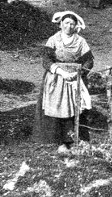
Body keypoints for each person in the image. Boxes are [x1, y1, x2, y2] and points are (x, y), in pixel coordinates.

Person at [34, 11, 94, 154]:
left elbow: (89, 61)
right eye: (66, 23)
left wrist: (79, 73)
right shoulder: (53, 40)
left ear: (76, 26)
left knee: (75, 109)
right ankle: (60, 143)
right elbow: (46, 60)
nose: (69, 26)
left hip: (74, 78)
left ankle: (73, 141)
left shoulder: (80, 41)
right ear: (60, 24)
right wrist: (60, 72)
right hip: (57, 78)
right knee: (57, 108)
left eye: (72, 24)